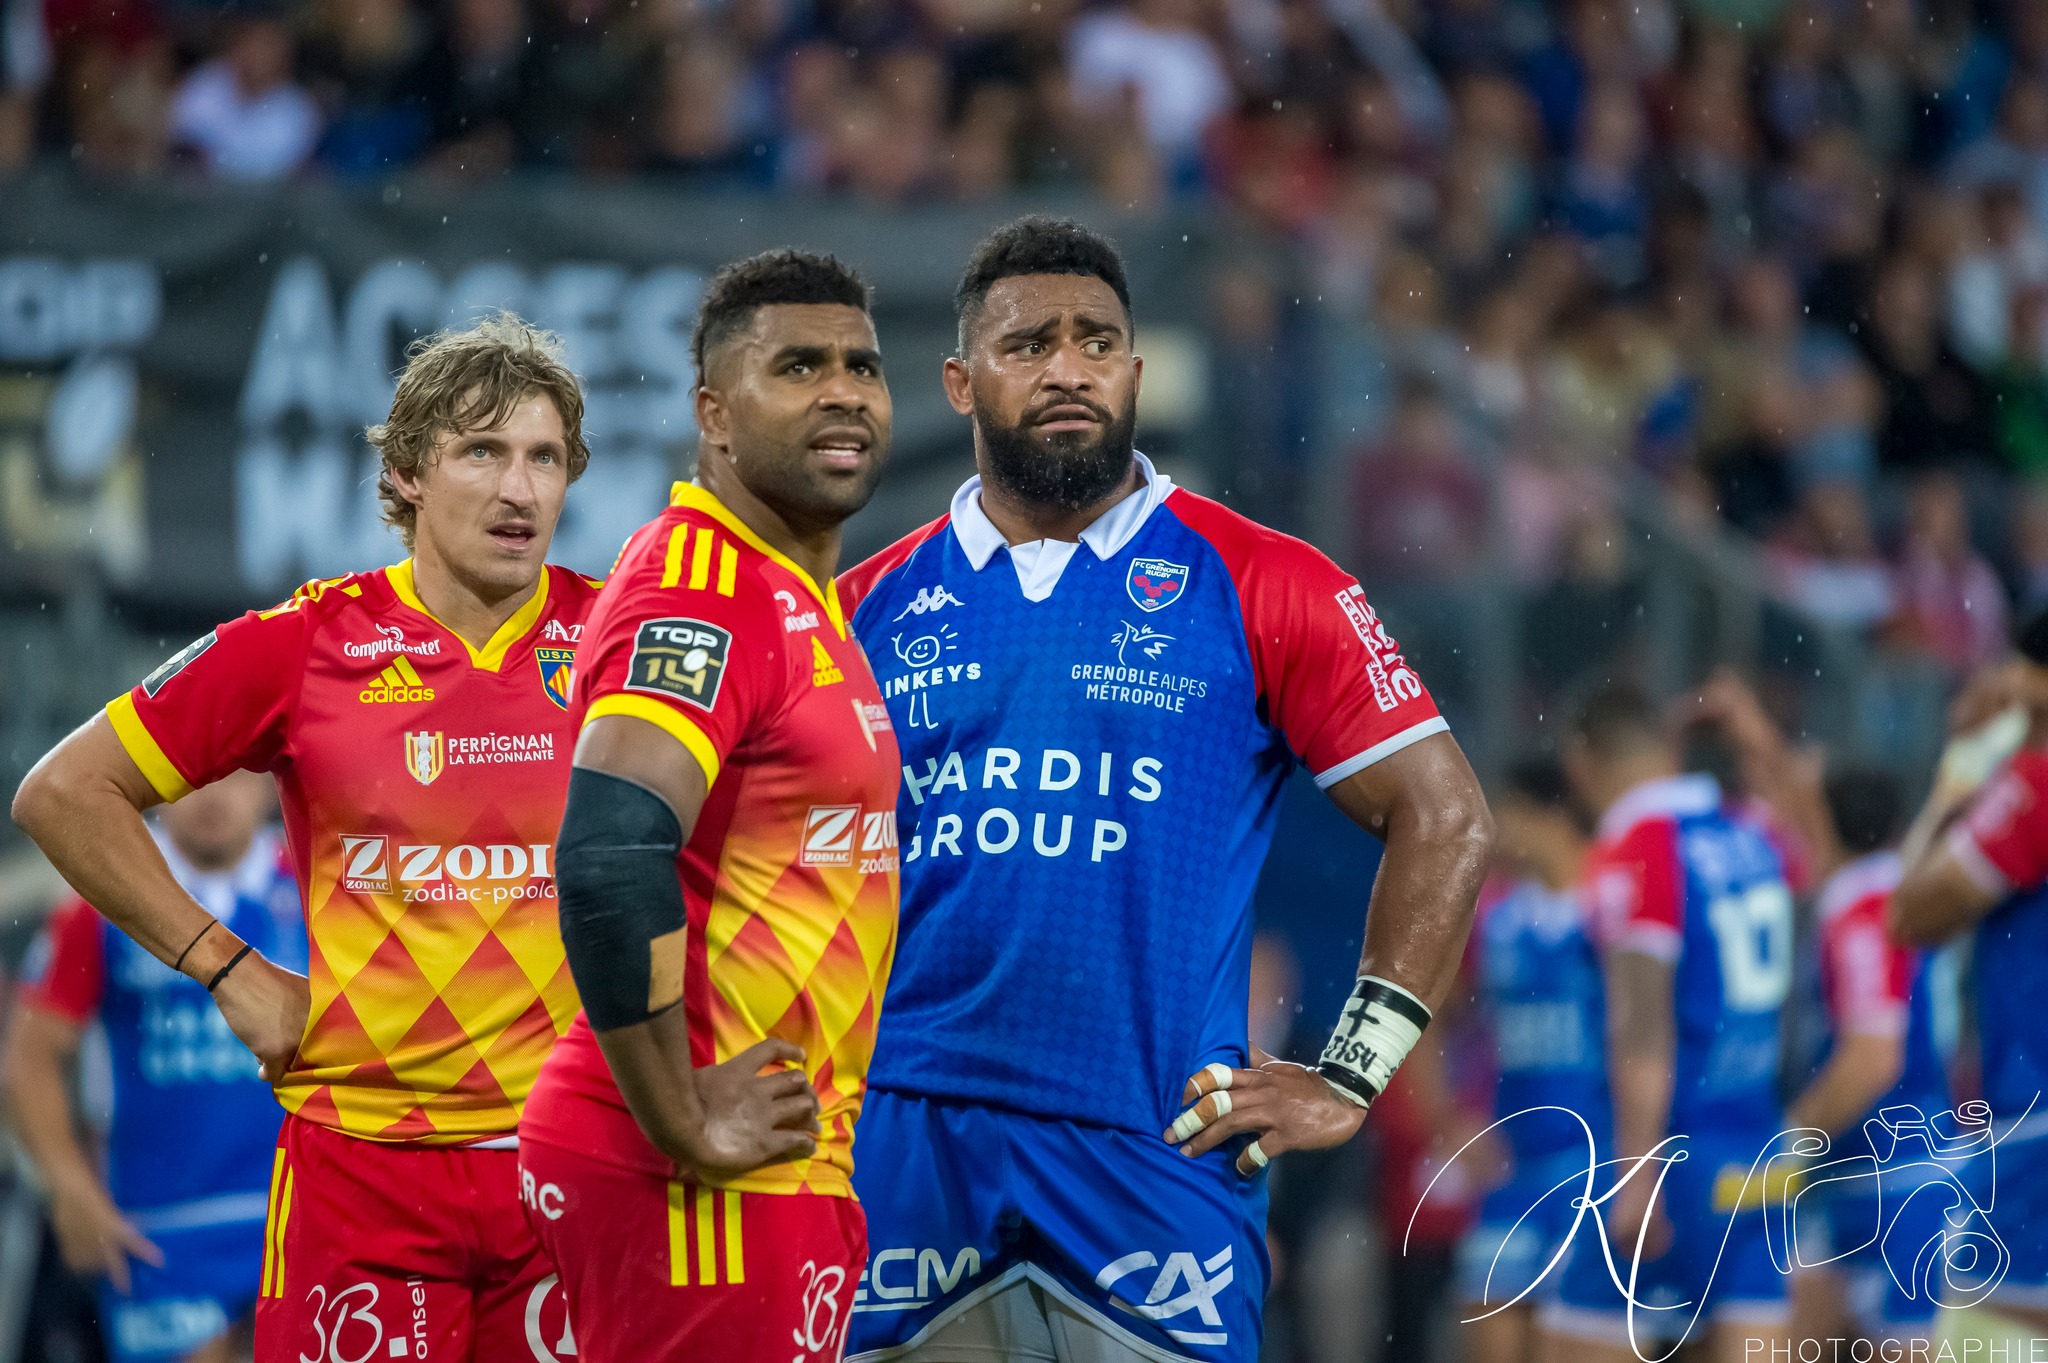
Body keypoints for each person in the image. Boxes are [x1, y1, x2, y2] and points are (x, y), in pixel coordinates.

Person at [837, 215, 1493, 1362]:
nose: (1066, 366)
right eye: (1027, 342)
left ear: (1135, 372)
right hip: (899, 1145)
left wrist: (1350, 1073)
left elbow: (1443, 816)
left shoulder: (1264, 580)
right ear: (958, 381)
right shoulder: (861, 607)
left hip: (1152, 1158)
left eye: (1096, 340)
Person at [11, 316, 602, 1363]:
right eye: (482, 451)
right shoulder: (306, 643)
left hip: (570, 1172)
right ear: (410, 472)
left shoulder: (623, 644)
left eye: (543, 457)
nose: (520, 490)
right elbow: (64, 791)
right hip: (367, 1175)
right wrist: (227, 968)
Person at [517, 249, 901, 1363]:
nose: (842, 390)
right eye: (798, 366)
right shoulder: (703, 583)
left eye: (861, 367)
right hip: (694, 1167)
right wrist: (680, 1117)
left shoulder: (797, 597)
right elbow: (607, 852)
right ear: (714, 415)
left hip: (771, 1156)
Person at [7, 770, 304, 1363]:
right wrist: (69, 1188)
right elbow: (29, 1058)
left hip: (298, 1215)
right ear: (152, 783)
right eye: (192, 778)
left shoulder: (316, 889)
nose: (213, 796)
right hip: (160, 1231)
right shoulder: (98, 902)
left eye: (233, 775)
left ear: (270, 784)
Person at [1539, 686, 1797, 1363]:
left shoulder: (1641, 841)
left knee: (1571, 1339)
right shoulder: (1750, 831)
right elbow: (1822, 871)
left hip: (1673, 1154)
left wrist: (1633, 1171)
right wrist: (1764, 747)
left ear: (1578, 761)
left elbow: (1642, 1024)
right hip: (1754, 1156)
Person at [1891, 627, 2048, 1332]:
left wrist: (1955, 776)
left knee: (1976, 1333)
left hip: (2034, 1119)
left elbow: (1910, 914)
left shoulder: (2036, 782)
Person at [1787, 767, 1953, 1351]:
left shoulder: (1862, 906)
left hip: (1893, 1182)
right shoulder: (1899, 889)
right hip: (1882, 1174)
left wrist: (1784, 1141)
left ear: (1825, 827)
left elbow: (1871, 1058)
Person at [1456, 757, 1605, 1363]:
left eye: (1507, 812)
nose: (1498, 831)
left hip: (1594, 1171)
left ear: (1545, 815)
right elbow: (1430, 1010)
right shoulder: (1495, 915)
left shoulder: (1609, 904)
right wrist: (1447, 1118)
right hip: (1510, 1172)